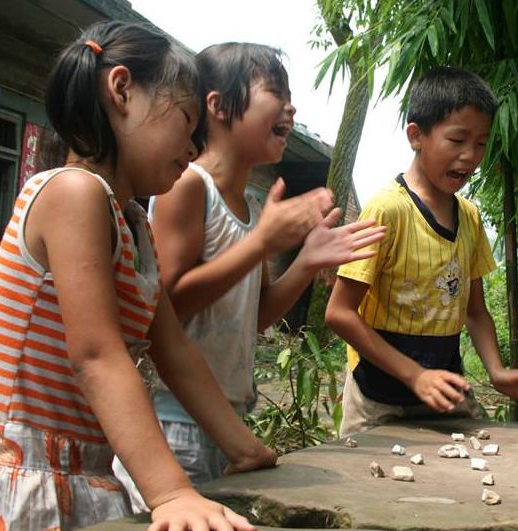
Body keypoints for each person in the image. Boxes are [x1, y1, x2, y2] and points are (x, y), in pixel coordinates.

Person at [0, 21, 277, 531]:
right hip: (29, 476)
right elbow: (96, 355)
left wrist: (246, 448)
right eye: (186, 122)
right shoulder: (73, 192)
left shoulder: (133, 222)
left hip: (84, 471)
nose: (192, 144)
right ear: (121, 90)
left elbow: (173, 349)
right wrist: (171, 491)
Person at [123, 43, 385, 494]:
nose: (291, 105)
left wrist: (304, 262)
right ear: (219, 105)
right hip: (174, 418)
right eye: (276, 91)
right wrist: (261, 242)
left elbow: (257, 317)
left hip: (228, 420)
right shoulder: (187, 186)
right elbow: (165, 305)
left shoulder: (251, 204)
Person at [325, 67, 518, 438]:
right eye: (457, 140)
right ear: (416, 136)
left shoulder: (469, 217)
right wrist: (414, 375)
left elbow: (476, 311)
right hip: (376, 399)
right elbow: (339, 313)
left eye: (481, 144)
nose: (470, 157)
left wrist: (497, 372)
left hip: (444, 391)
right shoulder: (388, 210)